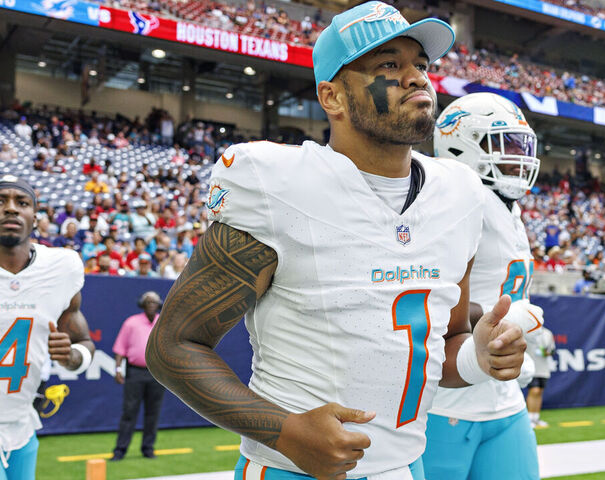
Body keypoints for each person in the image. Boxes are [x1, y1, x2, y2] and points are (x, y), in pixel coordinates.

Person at [146, 3, 527, 480]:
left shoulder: (462, 194)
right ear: (333, 97)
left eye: (421, 65)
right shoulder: (277, 184)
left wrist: (479, 355)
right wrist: (284, 431)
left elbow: (444, 344)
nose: (416, 78)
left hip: (406, 468)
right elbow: (173, 344)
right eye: (389, 64)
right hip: (292, 471)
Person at [422, 92, 544, 480]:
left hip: (504, 399)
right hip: (448, 403)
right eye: (504, 144)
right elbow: (434, 299)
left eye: (521, 145)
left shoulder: (510, 208)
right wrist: (504, 320)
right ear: (461, 145)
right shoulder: (454, 198)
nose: (517, 156)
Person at [0, 175, 94, 480]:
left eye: (21, 202)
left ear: (35, 217)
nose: (11, 209)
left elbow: (83, 341)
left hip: (23, 425)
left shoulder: (61, 268)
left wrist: (72, 357)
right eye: (1, 202)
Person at [111, 291, 165, 461]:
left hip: (157, 373)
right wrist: (118, 369)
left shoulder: (163, 323)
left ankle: (148, 448)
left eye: (154, 301)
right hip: (135, 372)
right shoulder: (131, 323)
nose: (151, 304)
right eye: (148, 301)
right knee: (129, 411)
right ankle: (120, 450)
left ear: (159, 305)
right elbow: (120, 348)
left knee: (153, 412)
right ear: (142, 304)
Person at [526, 326, 555, 428]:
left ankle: (536, 418)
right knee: (534, 391)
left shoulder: (548, 333)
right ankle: (529, 418)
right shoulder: (527, 331)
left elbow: (552, 350)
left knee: (540, 392)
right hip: (531, 367)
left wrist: (547, 352)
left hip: (543, 369)